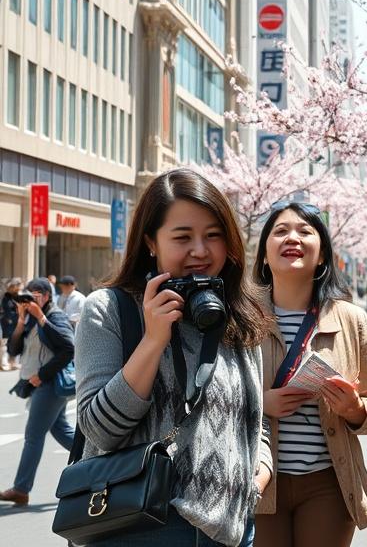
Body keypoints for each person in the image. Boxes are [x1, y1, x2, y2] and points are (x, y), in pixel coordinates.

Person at [74, 169, 271, 546]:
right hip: (136, 525)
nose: (200, 250)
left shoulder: (236, 316)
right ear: (151, 242)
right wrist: (152, 340)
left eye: (213, 235)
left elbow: (255, 420)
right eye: (183, 237)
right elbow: (99, 430)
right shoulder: (109, 311)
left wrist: (258, 477)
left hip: (229, 530)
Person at [253, 201, 367, 547]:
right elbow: (211, 399)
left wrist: (355, 410)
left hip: (328, 483)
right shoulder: (242, 318)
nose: (292, 238)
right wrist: (260, 402)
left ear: (323, 256)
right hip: (256, 479)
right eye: (281, 231)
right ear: (265, 255)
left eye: (305, 231)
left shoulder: (350, 318)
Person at [0, 277, 76, 505]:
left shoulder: (55, 316)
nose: (32, 299)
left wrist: (41, 375)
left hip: (50, 384)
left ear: (46, 296)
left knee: (33, 436)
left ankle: (21, 489)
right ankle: (102, 459)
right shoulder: (30, 320)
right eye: (28, 295)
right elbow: (14, 349)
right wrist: (22, 320)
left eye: (36, 295)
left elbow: (68, 348)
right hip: (38, 384)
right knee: (61, 430)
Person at [1, 278, 23, 371]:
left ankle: (13, 362)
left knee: (15, 343)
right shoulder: (5, 297)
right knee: (5, 343)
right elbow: (7, 311)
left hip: (16, 323)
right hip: (8, 324)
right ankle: (4, 363)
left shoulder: (17, 296)